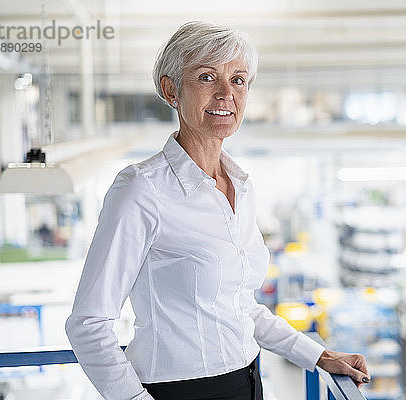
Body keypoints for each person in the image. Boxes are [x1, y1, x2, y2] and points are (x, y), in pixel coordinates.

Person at [65, 21, 370, 400]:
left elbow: (242, 306)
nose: (227, 93)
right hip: (179, 391)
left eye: (239, 80)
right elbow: (87, 324)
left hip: (248, 383)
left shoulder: (240, 185)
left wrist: (317, 354)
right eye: (207, 77)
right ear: (170, 89)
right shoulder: (141, 189)